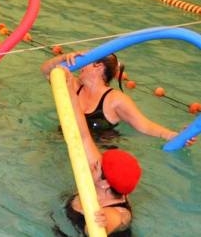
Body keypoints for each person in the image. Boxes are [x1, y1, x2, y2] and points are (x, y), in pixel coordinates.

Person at [41, 52, 195, 144]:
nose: (79, 65)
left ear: (99, 67)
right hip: (63, 142)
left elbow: (144, 125)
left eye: (85, 61)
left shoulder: (115, 99)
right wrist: (65, 57)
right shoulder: (73, 85)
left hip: (98, 153)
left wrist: (174, 136)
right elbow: (46, 71)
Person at [58, 73, 142, 236]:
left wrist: (102, 223)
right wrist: (72, 95)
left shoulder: (118, 213)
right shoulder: (107, 181)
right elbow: (83, 136)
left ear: (105, 184)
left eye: (97, 165)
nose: (92, 163)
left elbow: (106, 224)